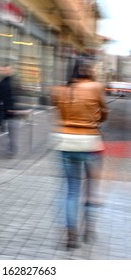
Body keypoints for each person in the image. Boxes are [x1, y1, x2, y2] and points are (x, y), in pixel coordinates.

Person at [51, 58, 108, 249]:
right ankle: (89, 230)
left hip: (66, 143)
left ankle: (71, 235)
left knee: (71, 191)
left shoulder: (60, 90)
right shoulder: (96, 87)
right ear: (89, 70)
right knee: (91, 190)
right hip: (90, 143)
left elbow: (60, 112)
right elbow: (104, 114)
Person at [0, 65, 21, 158]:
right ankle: (8, 149)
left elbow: (18, 96)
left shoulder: (15, 82)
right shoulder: (2, 82)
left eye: (8, 69)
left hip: (12, 112)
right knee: (4, 131)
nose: (7, 71)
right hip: (4, 112)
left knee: (12, 132)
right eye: (5, 70)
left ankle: (12, 150)